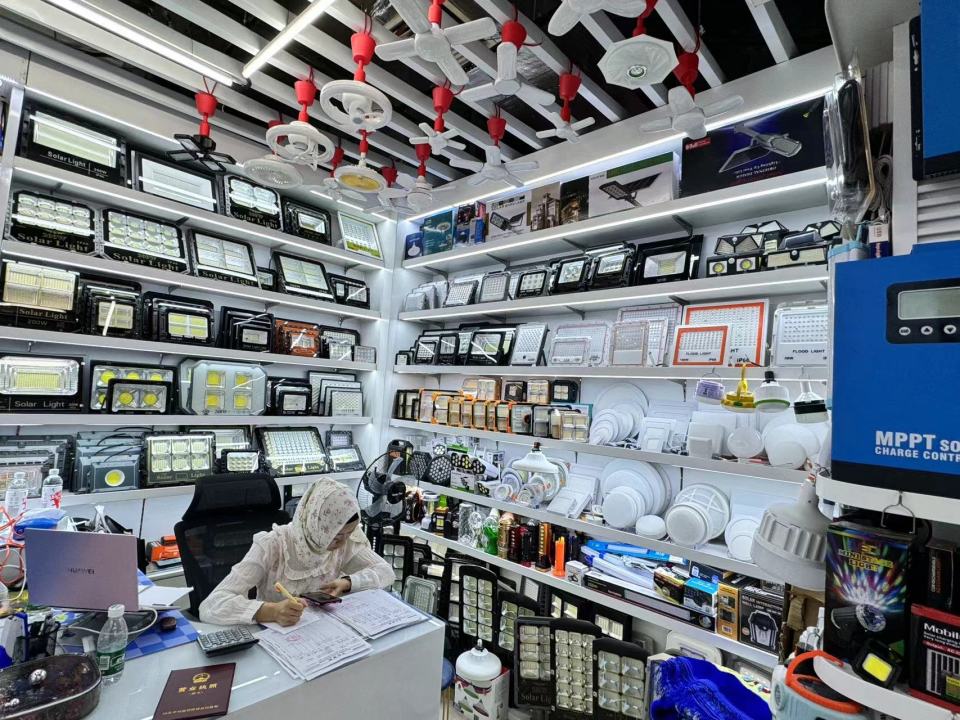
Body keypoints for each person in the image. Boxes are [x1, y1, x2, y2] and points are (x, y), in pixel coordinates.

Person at [199, 479, 394, 626]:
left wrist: (347, 582)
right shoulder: (273, 545)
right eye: (335, 536)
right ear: (317, 525)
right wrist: (271, 611)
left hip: (322, 633)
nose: (342, 543)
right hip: (276, 640)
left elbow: (386, 572)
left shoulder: (345, 543)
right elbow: (211, 605)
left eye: (349, 534)